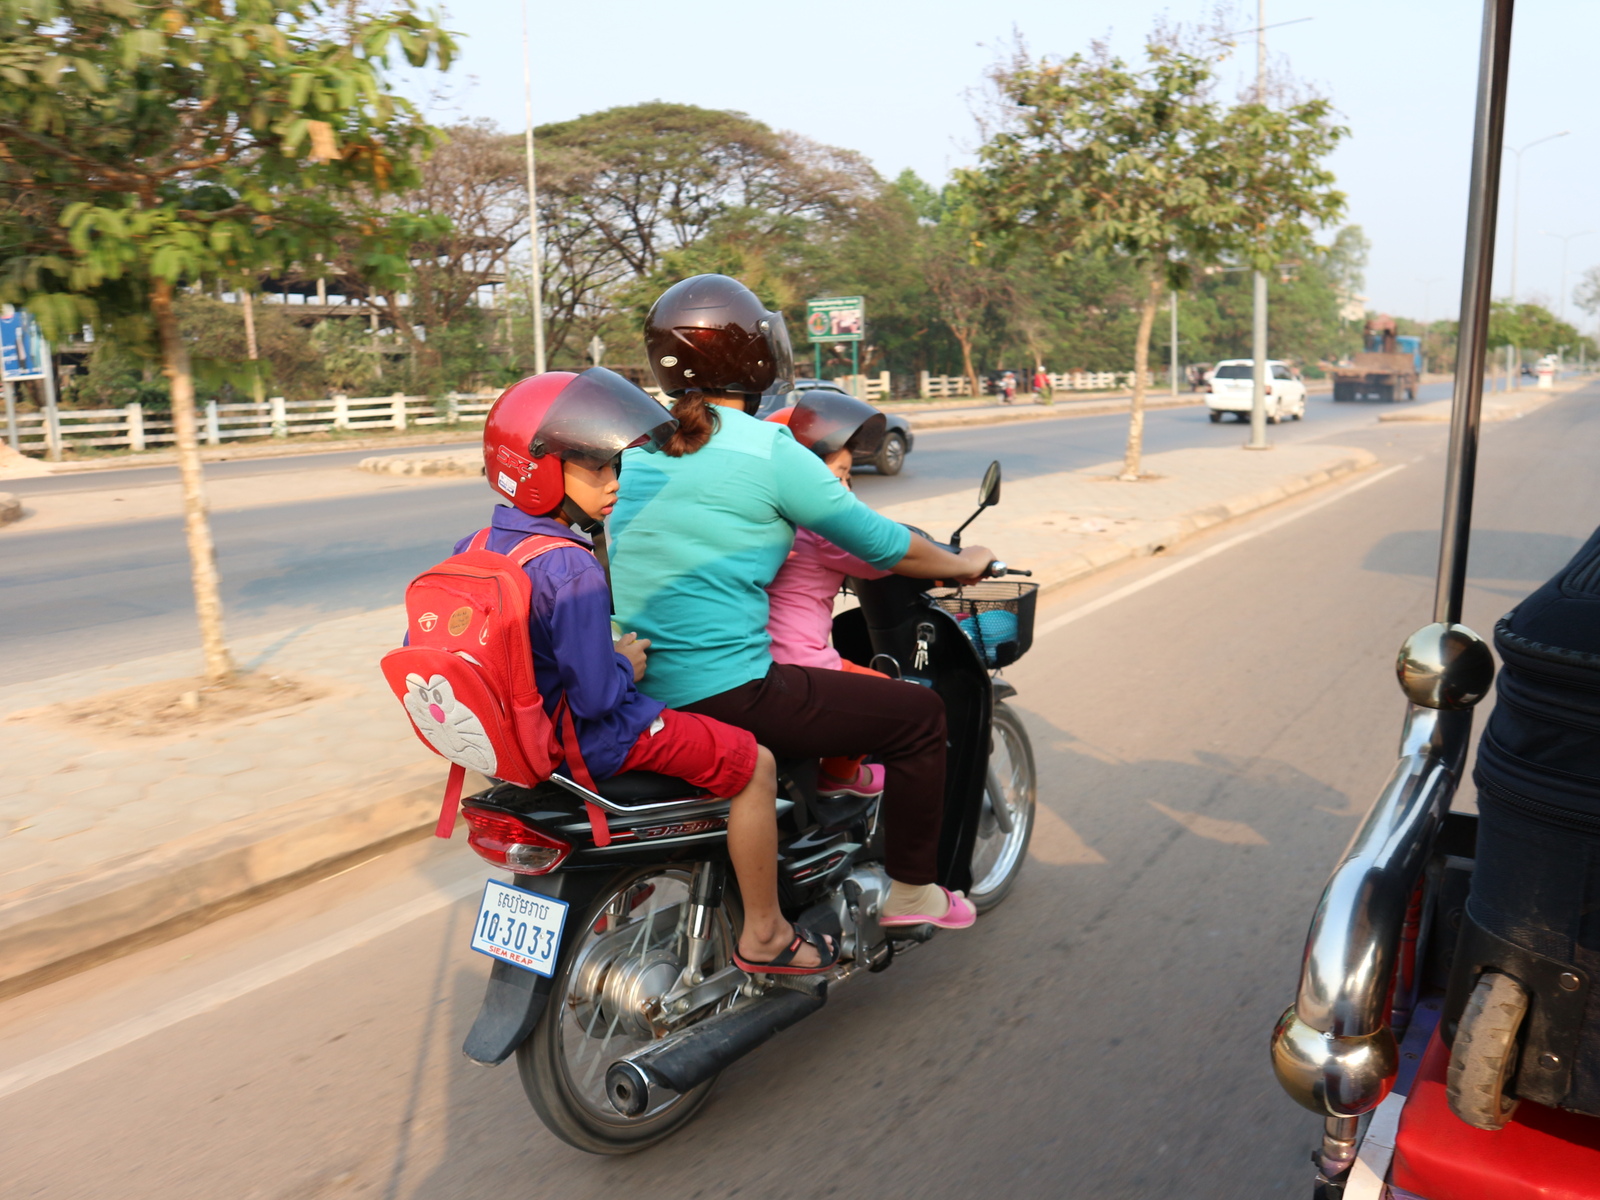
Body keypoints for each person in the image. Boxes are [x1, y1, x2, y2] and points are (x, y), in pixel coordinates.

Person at [608, 274, 996, 928]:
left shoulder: (642, 448)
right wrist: (962, 564)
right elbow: (884, 546)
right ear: (753, 356)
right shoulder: (769, 448)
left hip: (640, 682)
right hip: (729, 688)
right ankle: (911, 891)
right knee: (920, 716)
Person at [468, 367, 835, 974]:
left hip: (526, 743)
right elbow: (596, 697)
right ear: (542, 471)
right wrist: (624, 663)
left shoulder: (479, 546)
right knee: (755, 765)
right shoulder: (571, 568)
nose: (615, 482)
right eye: (598, 468)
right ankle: (767, 933)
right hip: (594, 740)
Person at [763, 397, 892, 802]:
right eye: (838, 476)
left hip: (755, 658)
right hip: (802, 661)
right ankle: (838, 776)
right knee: (887, 696)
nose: (846, 488)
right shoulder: (824, 528)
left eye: (849, 478)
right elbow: (883, 558)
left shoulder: (767, 519)